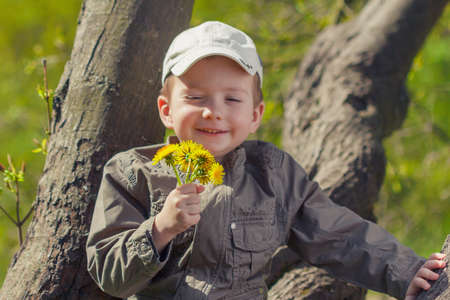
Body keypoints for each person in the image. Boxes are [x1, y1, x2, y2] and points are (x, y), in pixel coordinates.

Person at [86, 21, 446, 300]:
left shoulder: (271, 173)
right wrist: (161, 228)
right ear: (166, 109)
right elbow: (107, 272)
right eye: (196, 97)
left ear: (256, 114)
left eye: (232, 99)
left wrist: (404, 269)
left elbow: (339, 234)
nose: (213, 112)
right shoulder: (133, 172)